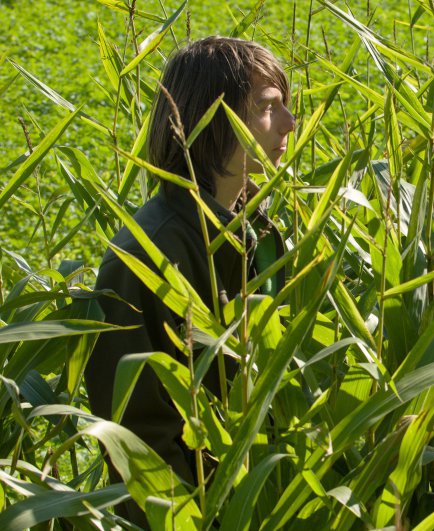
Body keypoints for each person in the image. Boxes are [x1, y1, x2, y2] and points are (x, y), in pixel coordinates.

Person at [85, 36, 295, 522]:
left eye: (285, 105)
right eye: (268, 108)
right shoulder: (145, 256)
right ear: (215, 119)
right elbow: (139, 441)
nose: (288, 123)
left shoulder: (261, 231)